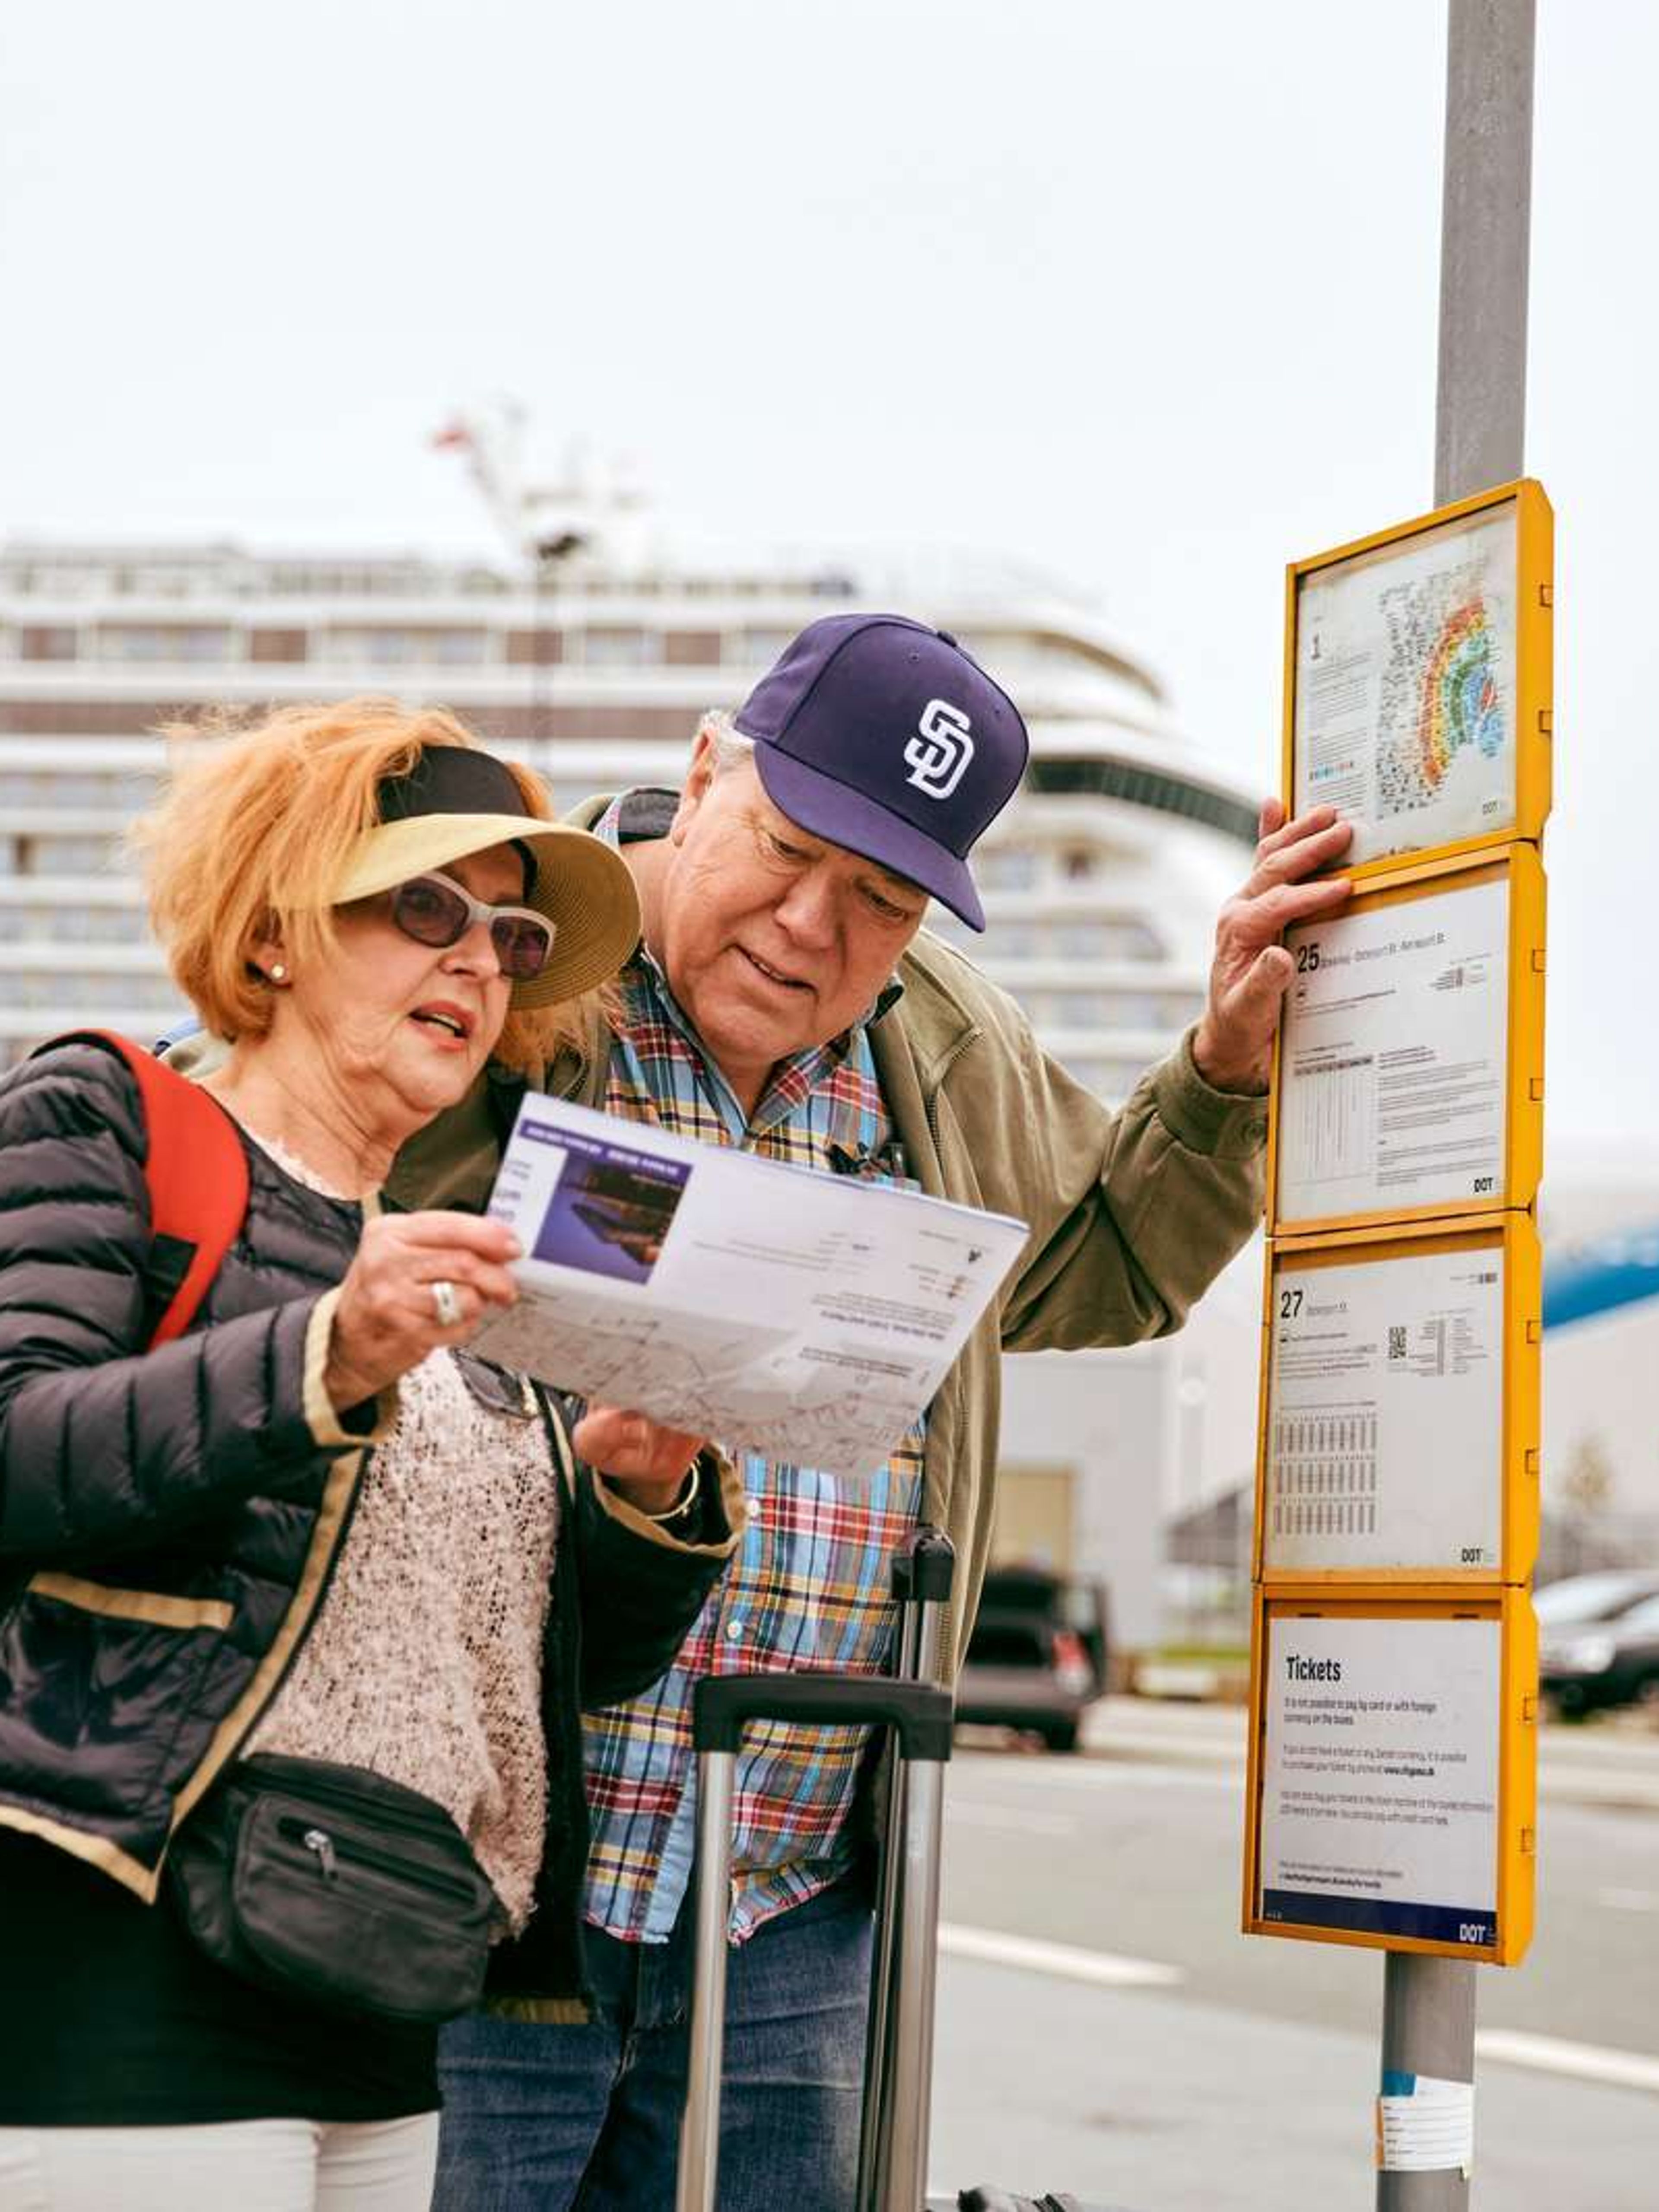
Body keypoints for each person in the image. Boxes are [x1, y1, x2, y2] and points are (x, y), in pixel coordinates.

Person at [388, 614, 1354, 2211]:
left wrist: (1224, 1068)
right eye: (786, 848)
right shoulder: (522, 957)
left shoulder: (945, 1043)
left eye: (883, 899)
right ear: (705, 773)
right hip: (483, 1872)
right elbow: (310, 1213)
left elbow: (1101, 1268)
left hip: (790, 1902)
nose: (812, 927)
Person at [0, 700, 744, 2212]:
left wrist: (640, 1493)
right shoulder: (113, 1119)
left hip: (391, 1988)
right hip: (135, 1968)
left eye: (513, 941)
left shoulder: (472, 1269)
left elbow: (548, 1669)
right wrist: (321, 1355)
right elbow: (19, 1451)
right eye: (426, 907)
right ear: (274, 932)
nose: (478, 961)